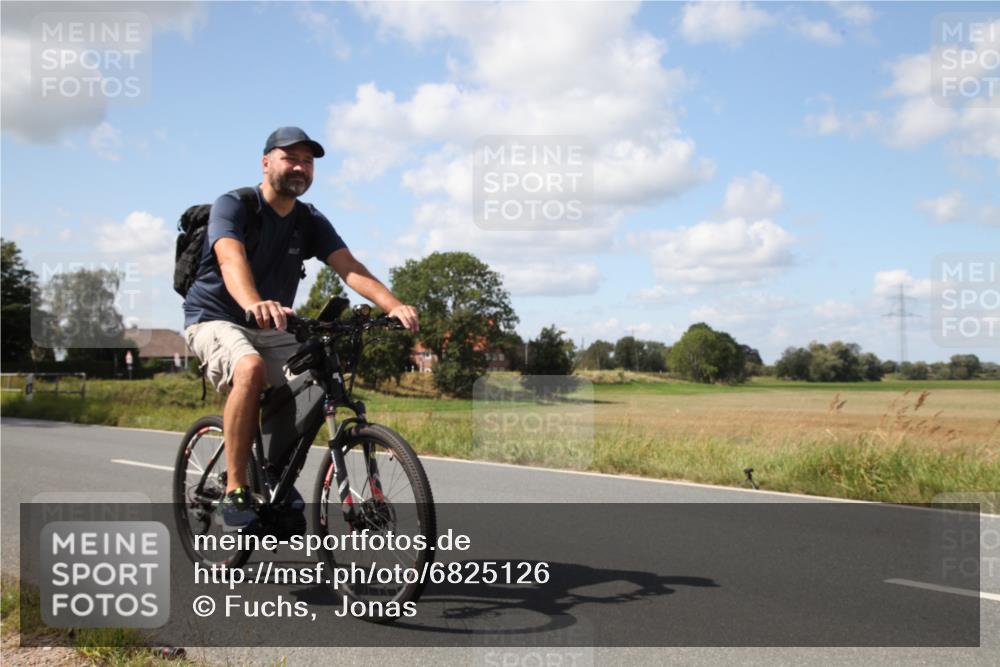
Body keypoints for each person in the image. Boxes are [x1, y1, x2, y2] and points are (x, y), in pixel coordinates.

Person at [182, 126, 419, 531]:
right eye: (290, 158)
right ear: (266, 162)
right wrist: (253, 302)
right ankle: (236, 488)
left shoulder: (308, 219)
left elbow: (350, 267)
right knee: (250, 368)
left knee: (314, 381)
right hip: (216, 317)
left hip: (274, 323)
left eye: (307, 161)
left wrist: (393, 305)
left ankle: (271, 472)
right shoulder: (235, 205)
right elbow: (230, 259)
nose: (300, 167)